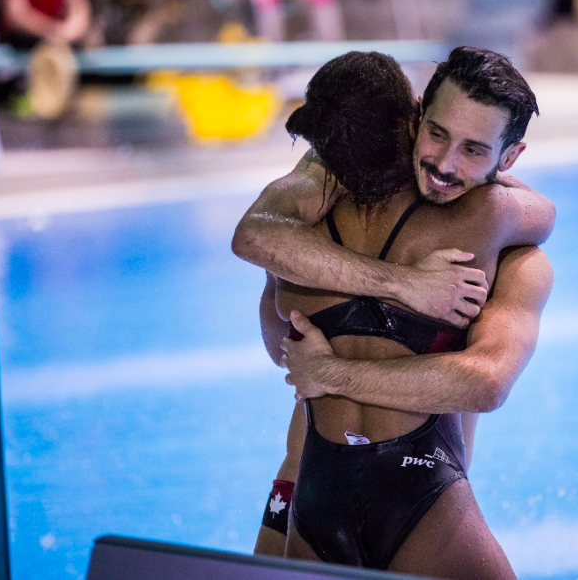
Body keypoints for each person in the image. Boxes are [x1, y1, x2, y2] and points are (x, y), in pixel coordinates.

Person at [232, 48, 554, 577]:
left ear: (509, 156)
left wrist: (332, 372)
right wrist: (403, 287)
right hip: (415, 487)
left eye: (474, 149)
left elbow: (278, 345)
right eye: (438, 135)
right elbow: (485, 383)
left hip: (308, 485)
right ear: (415, 115)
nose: (447, 164)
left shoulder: (299, 230)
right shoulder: (497, 223)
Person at [0, 0, 91, 48]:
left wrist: (65, 33)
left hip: (61, 45)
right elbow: (16, 15)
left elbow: (79, 12)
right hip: (20, 45)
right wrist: (54, 31)